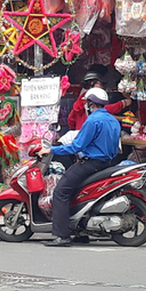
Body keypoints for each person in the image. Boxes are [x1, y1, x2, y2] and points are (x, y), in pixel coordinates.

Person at [38, 87, 121, 247]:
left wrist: (51, 149)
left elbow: (76, 146)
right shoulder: (113, 121)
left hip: (91, 164)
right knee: (77, 192)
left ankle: (62, 235)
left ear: (90, 104)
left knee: (60, 192)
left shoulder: (93, 121)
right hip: (107, 163)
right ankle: (79, 231)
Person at [66, 71, 131, 131]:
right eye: (100, 84)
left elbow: (71, 120)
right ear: (92, 83)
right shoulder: (91, 98)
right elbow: (104, 109)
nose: (102, 86)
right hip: (91, 132)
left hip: (80, 132)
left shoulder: (81, 99)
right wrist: (123, 103)